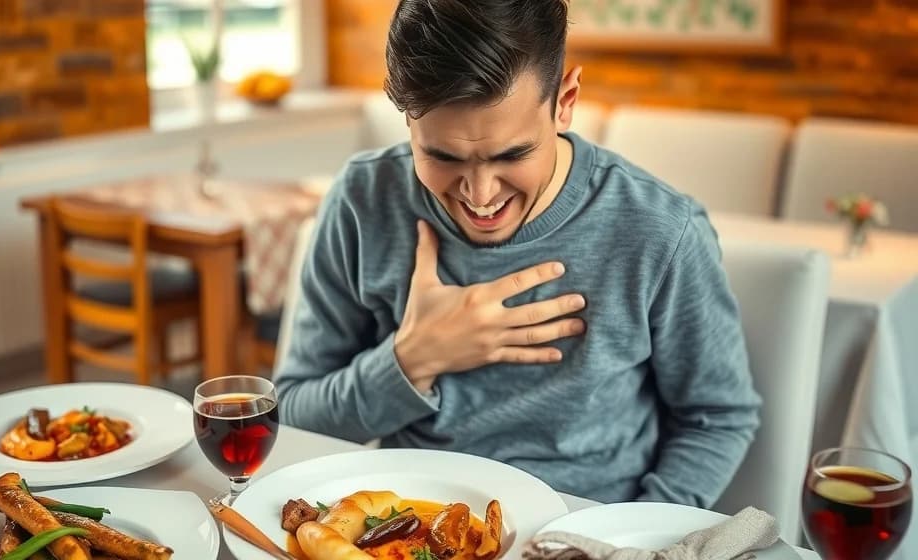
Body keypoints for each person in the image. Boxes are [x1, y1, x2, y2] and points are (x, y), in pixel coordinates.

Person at [275, 0, 760, 508]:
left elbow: (718, 419)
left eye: (512, 154)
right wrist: (412, 360)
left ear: (565, 101)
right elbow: (292, 417)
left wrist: (633, 537)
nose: (480, 196)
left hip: (586, 531)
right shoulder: (363, 198)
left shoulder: (662, 231)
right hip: (406, 523)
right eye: (442, 156)